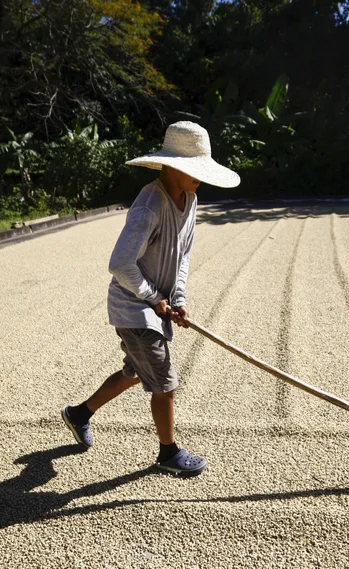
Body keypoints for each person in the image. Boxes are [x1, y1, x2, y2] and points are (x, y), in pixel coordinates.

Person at [61, 121, 240, 476]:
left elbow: (184, 254)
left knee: (134, 372)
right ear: (172, 166)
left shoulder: (190, 200)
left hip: (155, 304)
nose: (199, 178)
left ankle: (78, 413)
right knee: (165, 381)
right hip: (132, 308)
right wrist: (153, 297)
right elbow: (120, 264)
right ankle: (168, 454)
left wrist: (178, 297)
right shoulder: (148, 207)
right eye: (193, 170)